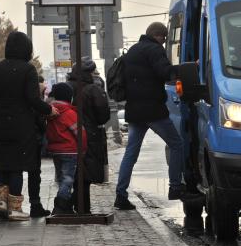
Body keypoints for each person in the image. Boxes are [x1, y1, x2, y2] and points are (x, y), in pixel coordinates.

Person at [114, 22, 200, 210]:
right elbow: (165, 72)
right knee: (177, 144)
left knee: (131, 153)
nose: (163, 42)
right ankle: (175, 187)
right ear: (158, 35)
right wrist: (188, 68)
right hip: (152, 109)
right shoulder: (154, 50)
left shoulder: (133, 51)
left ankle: (120, 195)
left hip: (134, 110)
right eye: (164, 38)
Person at [0, 31, 58, 221]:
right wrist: (49, 109)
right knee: (25, 167)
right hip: (22, 127)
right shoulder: (28, 70)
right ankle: (21, 208)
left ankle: (3, 206)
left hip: (0, 126)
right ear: (27, 49)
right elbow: (32, 99)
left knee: (6, 168)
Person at [67, 57, 110, 214]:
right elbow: (103, 115)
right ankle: (80, 207)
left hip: (69, 134)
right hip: (90, 134)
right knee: (86, 173)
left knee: (74, 171)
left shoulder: (67, 87)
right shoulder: (93, 89)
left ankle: (74, 204)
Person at [46, 83, 87, 214]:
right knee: (68, 179)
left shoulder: (50, 112)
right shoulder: (69, 113)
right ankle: (60, 205)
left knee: (61, 177)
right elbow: (80, 133)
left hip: (56, 151)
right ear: (69, 97)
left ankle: (66, 206)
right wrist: (84, 149)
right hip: (71, 151)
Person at [27, 75, 51, 218]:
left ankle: (8, 205)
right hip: (33, 139)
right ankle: (35, 204)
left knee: (13, 172)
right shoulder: (35, 99)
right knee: (34, 173)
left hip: (17, 136)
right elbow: (41, 122)